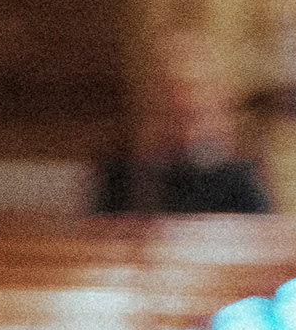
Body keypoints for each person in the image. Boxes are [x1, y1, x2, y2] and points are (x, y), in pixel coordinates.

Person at [95, 29, 275, 213]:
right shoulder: (122, 178)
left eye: (197, 115)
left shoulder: (240, 178)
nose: (187, 134)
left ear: (222, 111)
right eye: (174, 114)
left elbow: (261, 231)